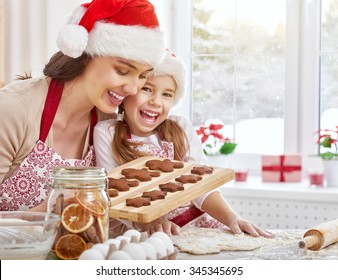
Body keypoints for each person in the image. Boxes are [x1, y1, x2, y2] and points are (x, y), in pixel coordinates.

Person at [0, 0, 166, 212]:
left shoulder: (106, 124)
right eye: (122, 71)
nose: (133, 89)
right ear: (87, 55)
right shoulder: (12, 110)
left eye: (143, 76)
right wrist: (59, 206)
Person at [94, 50, 273, 238]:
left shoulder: (180, 128)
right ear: (128, 91)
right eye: (147, 89)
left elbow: (203, 187)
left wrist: (232, 218)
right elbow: (110, 192)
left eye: (167, 94)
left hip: (198, 226)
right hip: (145, 231)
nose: (156, 101)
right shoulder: (107, 132)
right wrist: (152, 223)